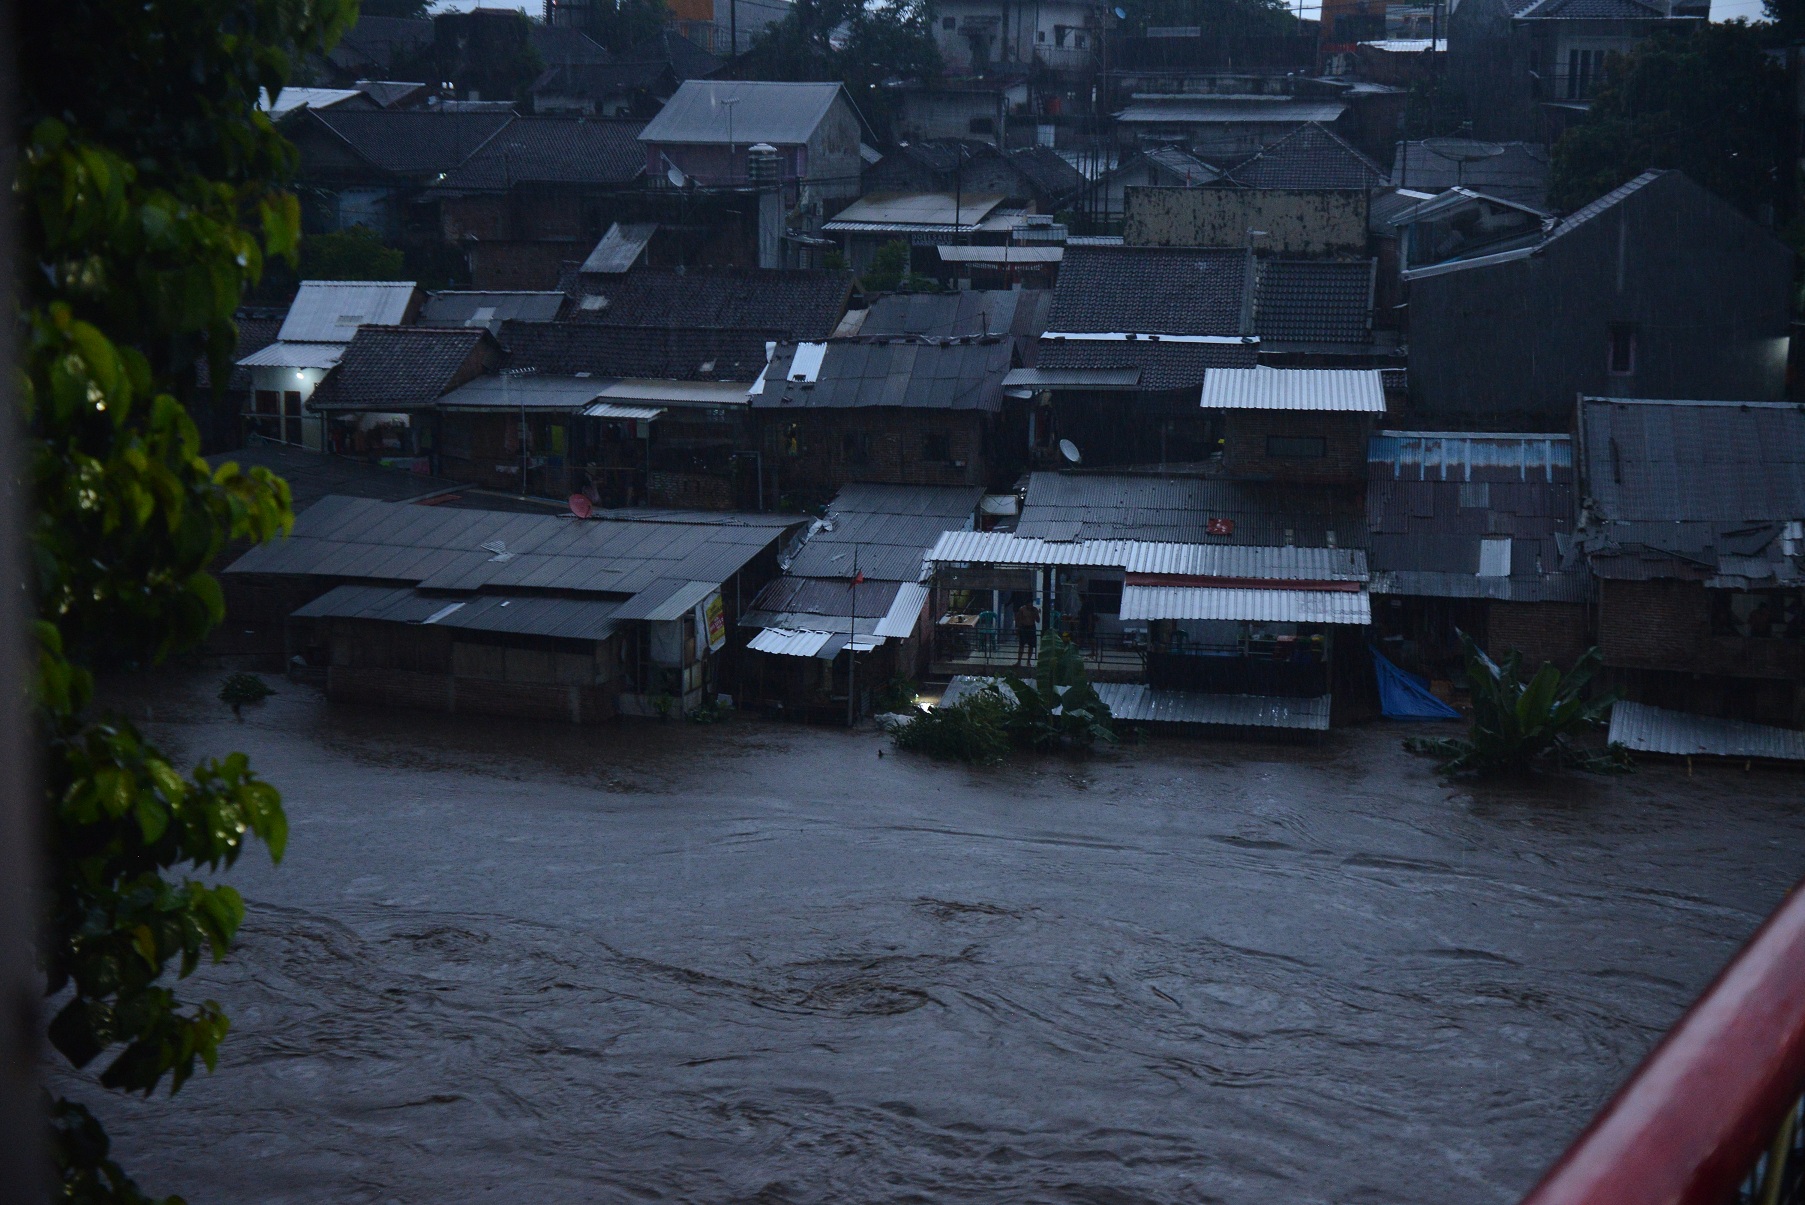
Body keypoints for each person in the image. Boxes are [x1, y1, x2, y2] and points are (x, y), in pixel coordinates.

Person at [1014, 599, 1039, 665]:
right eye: (1028, 604)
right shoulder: (1022, 609)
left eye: (1031, 604)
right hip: (1024, 627)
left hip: (1031, 627)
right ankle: (1019, 661)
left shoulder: (1034, 610)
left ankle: (1028, 661)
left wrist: (1036, 614)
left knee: (1031, 646)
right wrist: (1018, 628)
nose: (1030, 605)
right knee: (1021, 645)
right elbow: (1018, 619)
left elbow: (1038, 620)